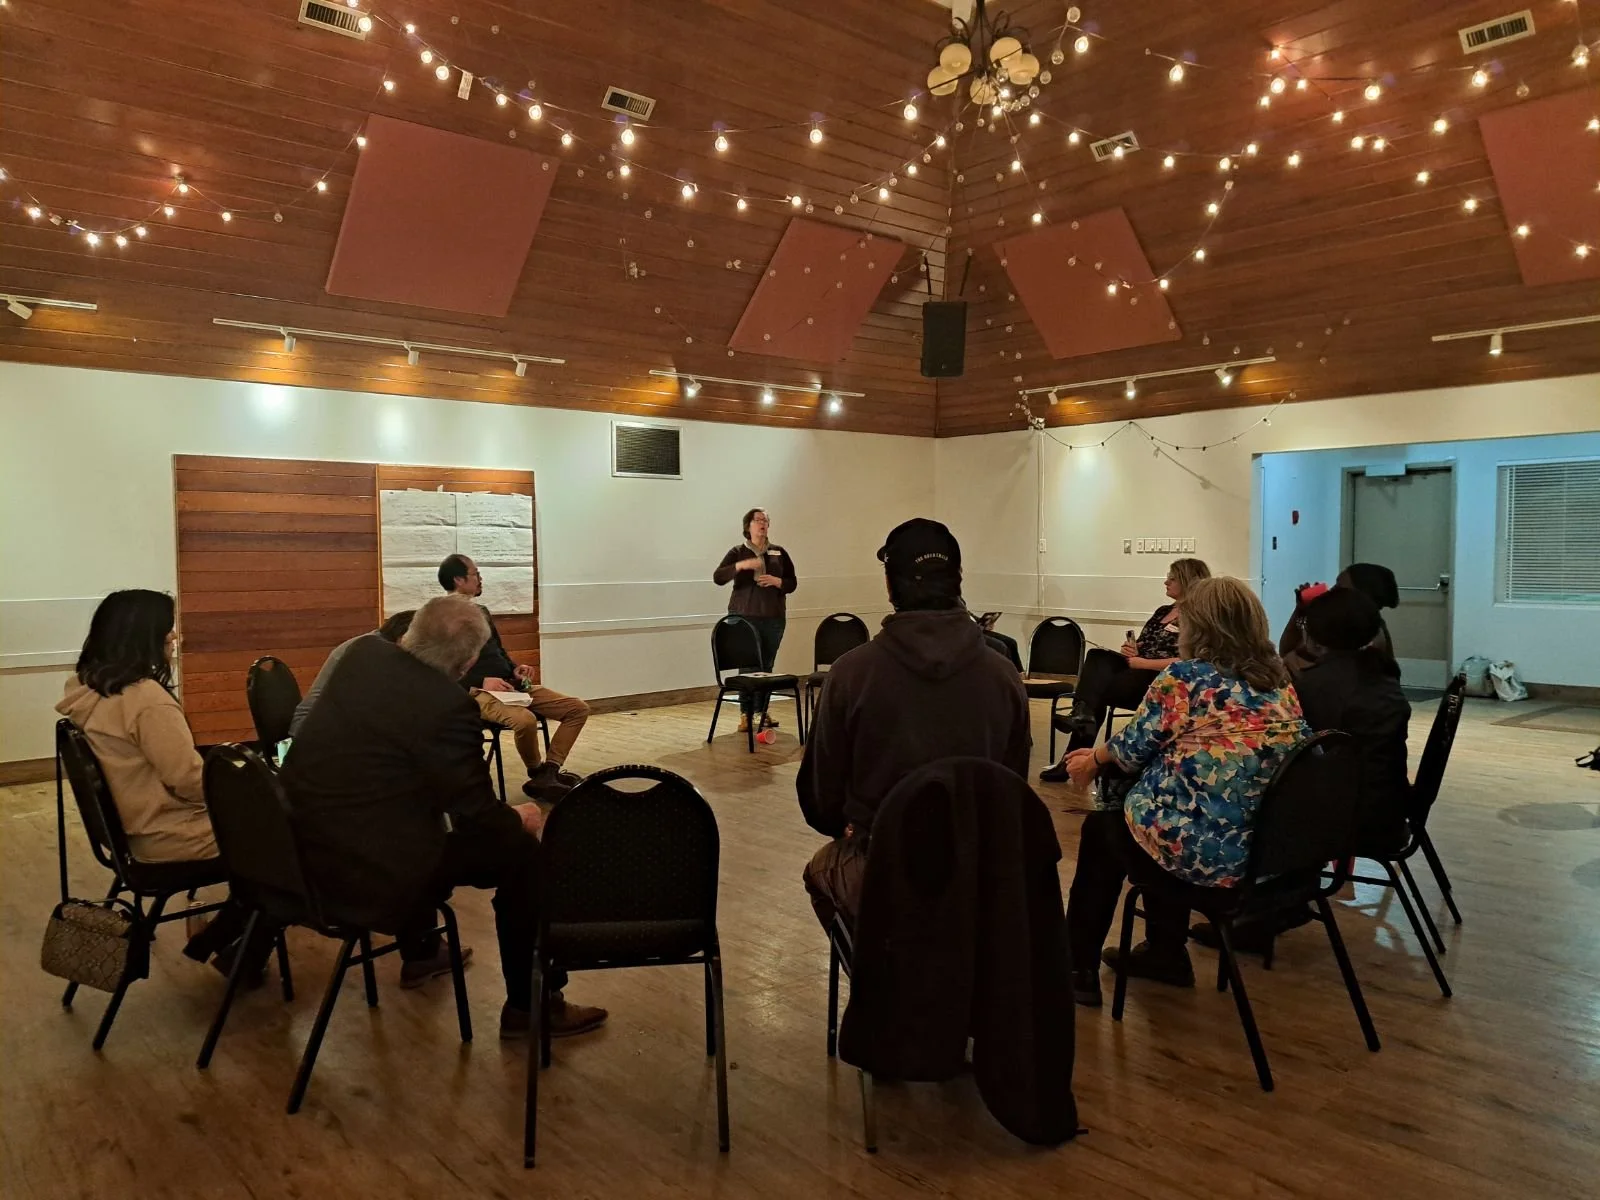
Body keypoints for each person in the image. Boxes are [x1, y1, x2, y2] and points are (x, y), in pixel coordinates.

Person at [280, 594, 606, 1038]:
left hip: (297, 851)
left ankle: (421, 951)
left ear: (409, 632)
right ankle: (533, 1006)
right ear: (468, 661)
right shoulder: (448, 706)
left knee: (416, 823)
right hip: (360, 873)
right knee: (522, 855)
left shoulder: (361, 655)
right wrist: (519, 819)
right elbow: (476, 815)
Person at [1059, 577, 1309, 1006]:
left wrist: (1092, 760)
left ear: (1200, 627)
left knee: (1108, 830)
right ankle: (1163, 952)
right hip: (1270, 854)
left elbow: (1131, 748)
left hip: (1215, 860)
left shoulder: (1187, 678)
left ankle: (1076, 968)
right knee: (1163, 815)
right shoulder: (1279, 681)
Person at [797, 518, 1031, 931]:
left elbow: (819, 799)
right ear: (959, 579)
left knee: (822, 868)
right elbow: (1013, 788)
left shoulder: (851, 674)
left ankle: (876, 966)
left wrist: (848, 826)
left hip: (883, 868)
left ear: (890, 585)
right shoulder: (1004, 674)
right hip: (978, 872)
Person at [1192, 586, 1410, 953]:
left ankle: (1256, 912)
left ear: (1315, 635)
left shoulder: (1313, 687)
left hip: (1345, 822)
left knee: (1238, 801)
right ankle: (1278, 906)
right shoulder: (1383, 674)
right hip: (1389, 810)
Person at [55, 589, 262, 972]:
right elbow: (188, 781)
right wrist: (250, 790)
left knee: (272, 836)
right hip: (168, 836)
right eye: (168, 630)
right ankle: (232, 946)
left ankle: (231, 942)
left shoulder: (87, 688)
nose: (174, 638)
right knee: (287, 841)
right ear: (144, 637)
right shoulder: (147, 701)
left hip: (133, 832)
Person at [1039, 557, 1212, 780]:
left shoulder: (1198, 617)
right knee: (1097, 657)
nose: (1166, 582)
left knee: (1095, 696)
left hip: (1161, 681)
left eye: (1172, 578)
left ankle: (1075, 747)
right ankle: (1083, 718)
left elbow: (1190, 660)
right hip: (1136, 669)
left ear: (1187, 581)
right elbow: (1145, 643)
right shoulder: (1162, 611)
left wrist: (1144, 663)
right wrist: (1133, 649)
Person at [438, 554, 588, 799]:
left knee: (577, 709)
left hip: (510, 685)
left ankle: (549, 771)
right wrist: (480, 682)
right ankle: (536, 772)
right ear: (459, 580)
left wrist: (515, 669)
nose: (480, 578)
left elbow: (497, 651)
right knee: (525, 720)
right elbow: (442, 668)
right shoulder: (442, 617)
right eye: (475, 574)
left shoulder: (481, 611)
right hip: (478, 692)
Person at [712, 508, 798, 733]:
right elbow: (718, 577)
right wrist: (741, 566)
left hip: (773, 616)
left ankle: (761, 712)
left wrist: (778, 582)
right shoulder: (738, 551)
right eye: (758, 520)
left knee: (766, 667)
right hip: (744, 616)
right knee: (748, 667)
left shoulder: (779, 552)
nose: (763, 524)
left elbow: (792, 582)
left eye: (766, 520)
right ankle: (746, 714)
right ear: (748, 526)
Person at [288, 610, 414, 738]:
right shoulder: (370, 651)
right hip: (311, 730)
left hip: (326, 728)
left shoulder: (374, 643)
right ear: (403, 636)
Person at [1279, 562, 1398, 672]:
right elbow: (1286, 651)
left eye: (1339, 587)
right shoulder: (1346, 624)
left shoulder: (1366, 636)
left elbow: (1291, 658)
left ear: (1361, 597)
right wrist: (1301, 610)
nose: (1331, 590)